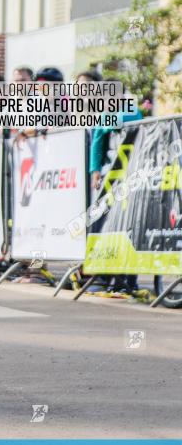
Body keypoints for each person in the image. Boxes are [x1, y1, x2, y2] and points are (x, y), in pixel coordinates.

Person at [83, 70, 143, 297]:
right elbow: (97, 144)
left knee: (127, 225)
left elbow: (132, 118)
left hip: (130, 178)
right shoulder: (101, 116)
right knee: (106, 226)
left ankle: (127, 279)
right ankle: (106, 275)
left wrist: (106, 120)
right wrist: (95, 171)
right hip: (109, 179)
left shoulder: (129, 109)